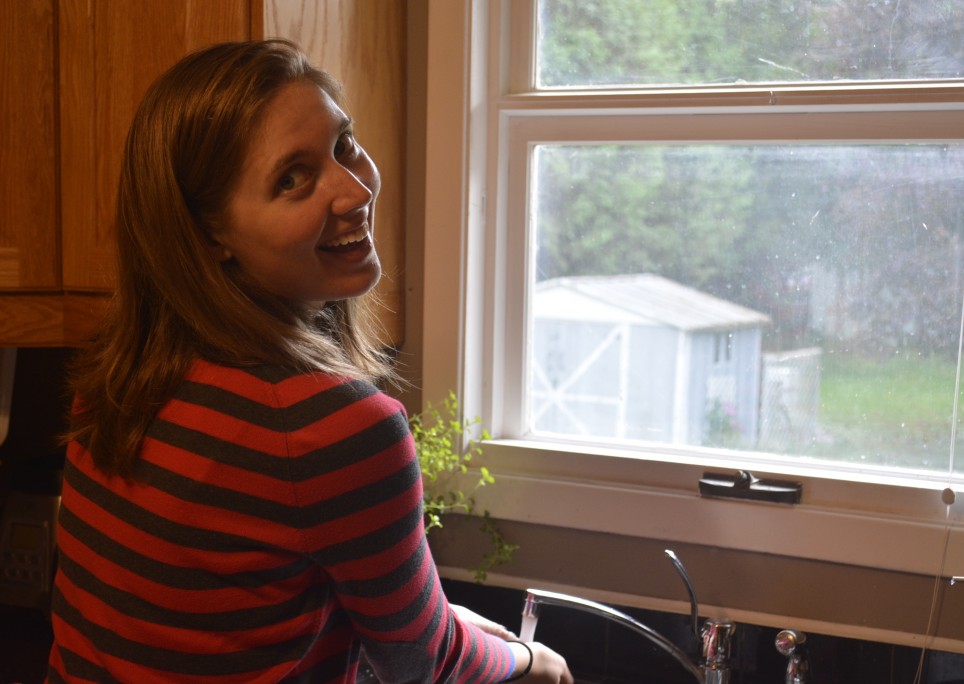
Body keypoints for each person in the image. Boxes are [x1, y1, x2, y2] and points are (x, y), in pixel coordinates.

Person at [45, 39, 572, 684]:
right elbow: (419, 662)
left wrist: (435, 618)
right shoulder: (330, 430)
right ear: (210, 236)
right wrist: (531, 661)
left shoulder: (119, 377)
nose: (355, 190)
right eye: (291, 178)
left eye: (343, 145)